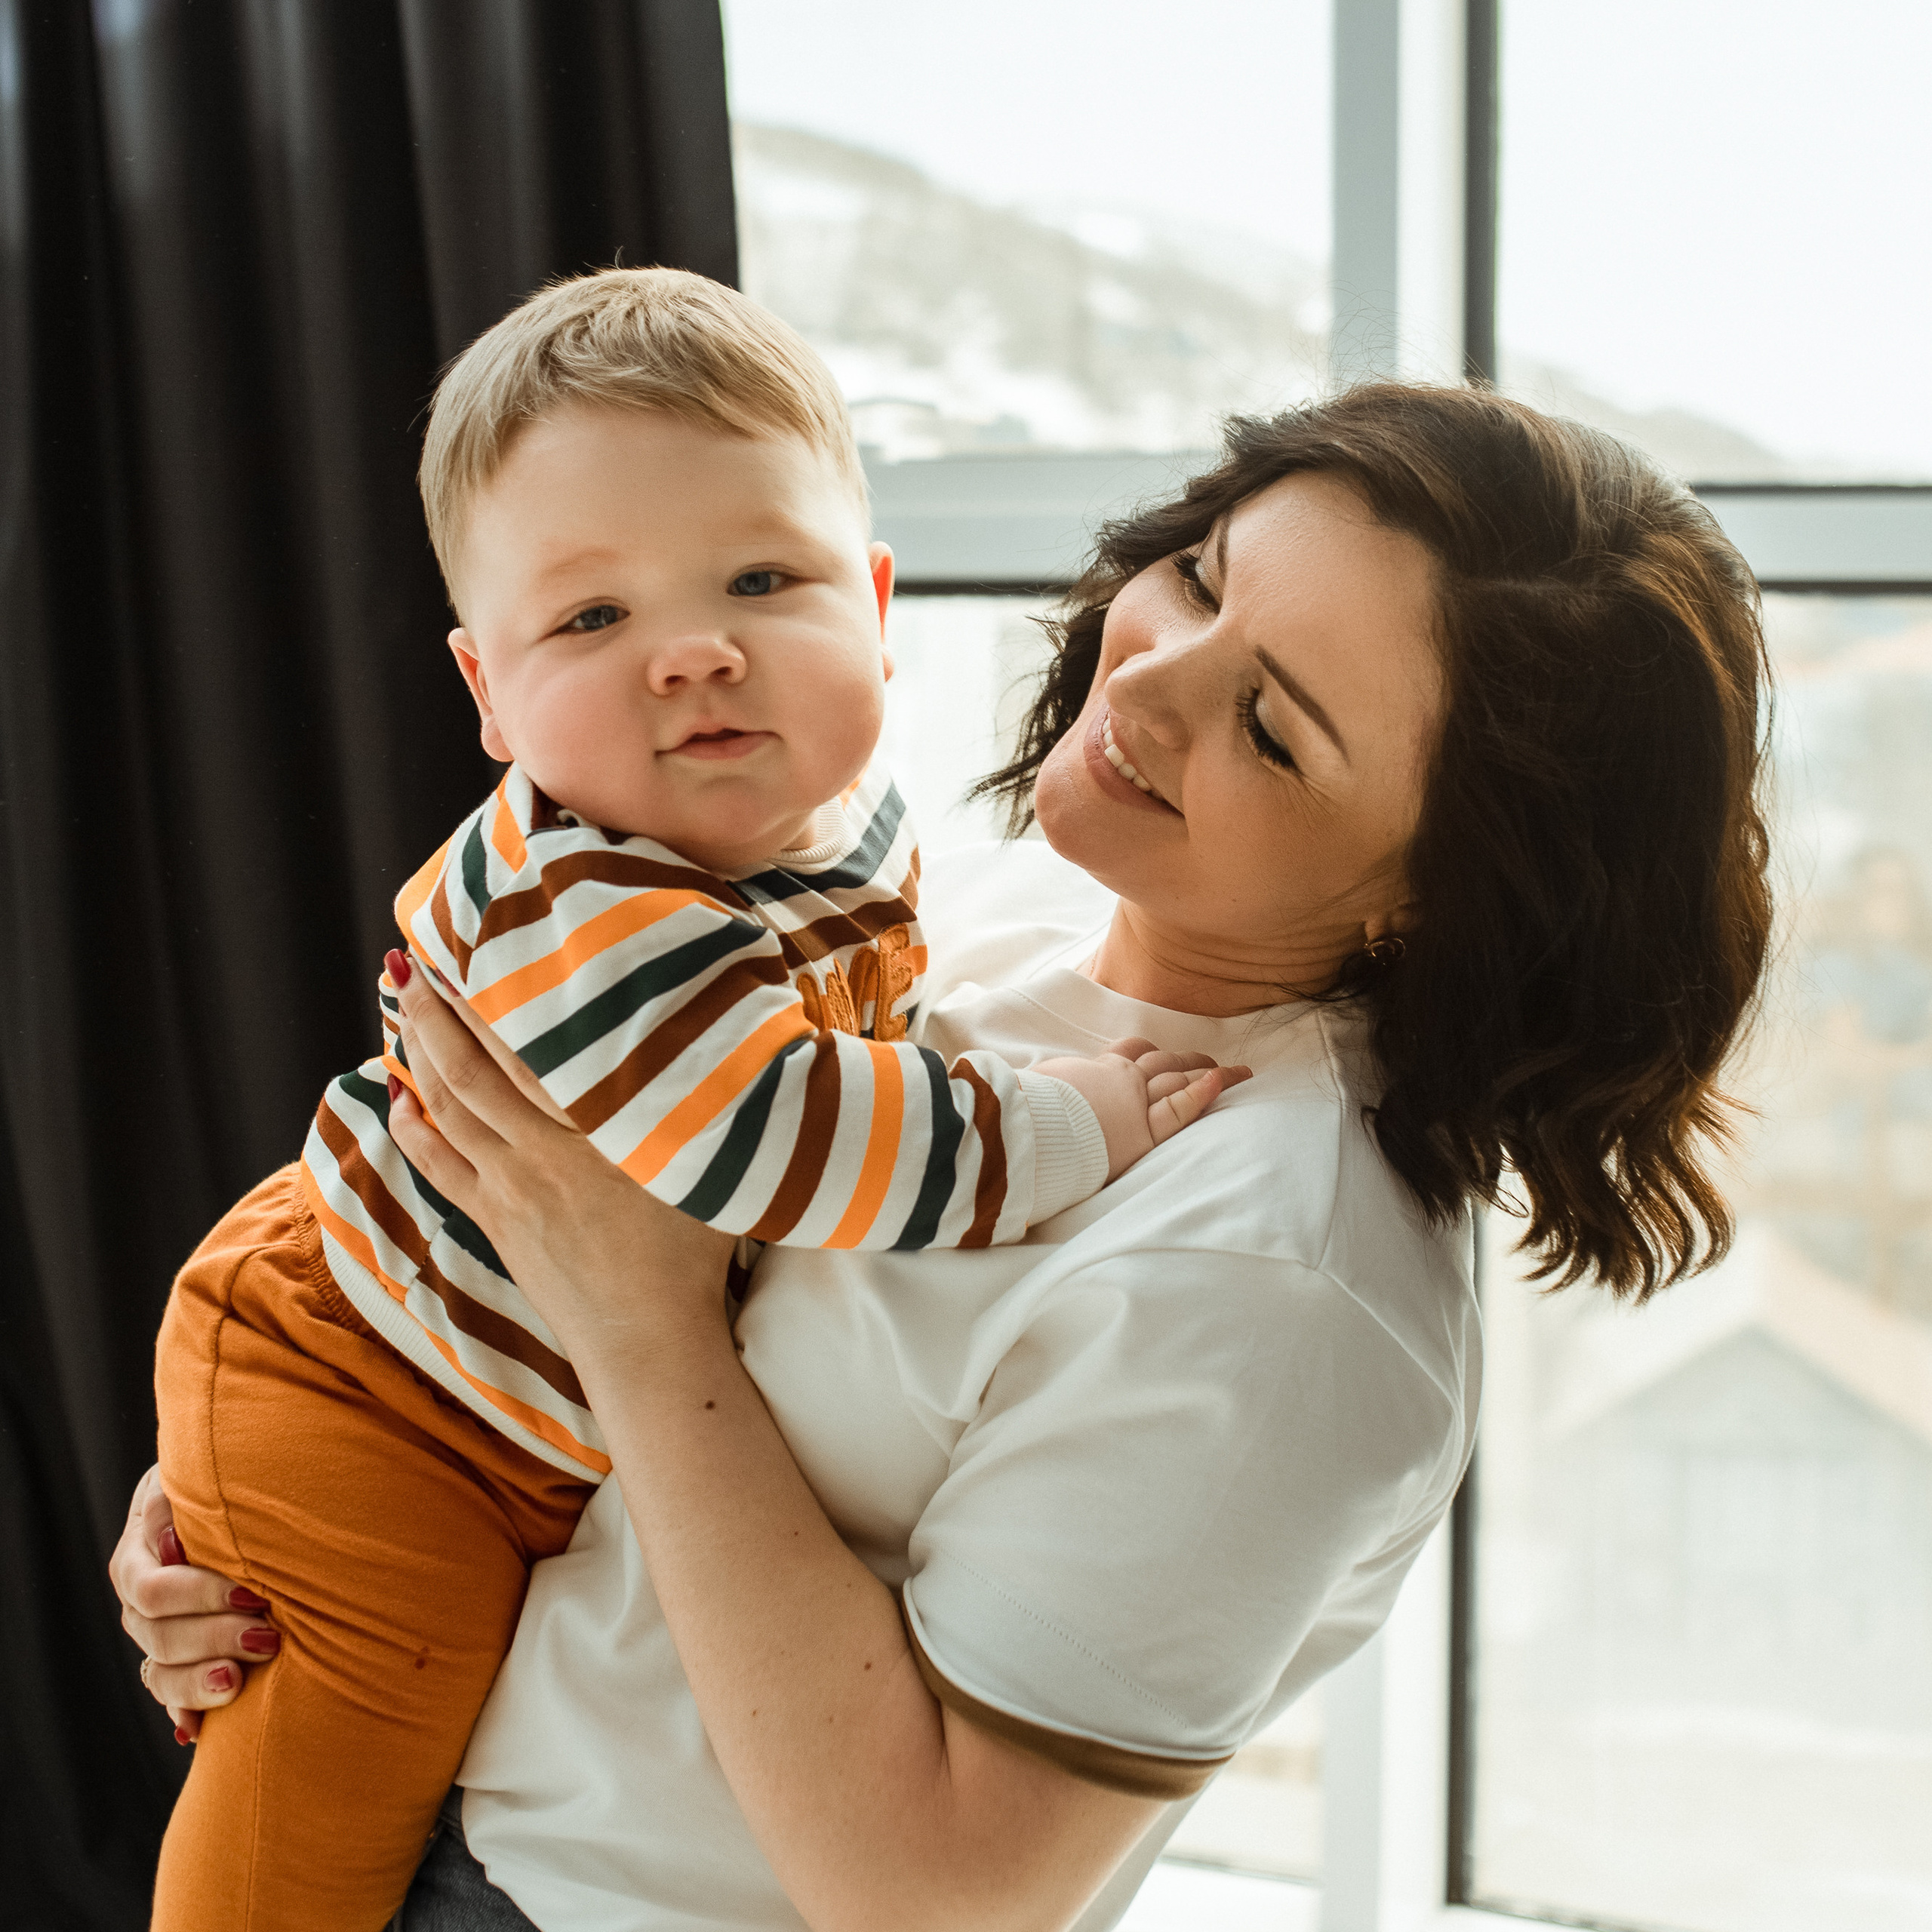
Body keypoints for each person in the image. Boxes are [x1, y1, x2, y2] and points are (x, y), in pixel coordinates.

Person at [116, 384, 1776, 1932]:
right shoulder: (1018, 914)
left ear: (1441, 894)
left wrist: (640, 1323)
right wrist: (270, 1481)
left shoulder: (1281, 1277)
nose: (1141, 684)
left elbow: (931, 1893)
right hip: (432, 1760)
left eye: (1268, 727)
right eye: (1198, 579)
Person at [143, 268, 1238, 1932]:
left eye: (760, 576)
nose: (697, 652)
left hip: (487, 1377)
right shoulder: (584, 902)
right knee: (350, 1731)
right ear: (488, 696)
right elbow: (779, 1133)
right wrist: (1072, 1117)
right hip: (364, 1372)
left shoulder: (835, 817)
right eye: (590, 619)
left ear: (874, 602)